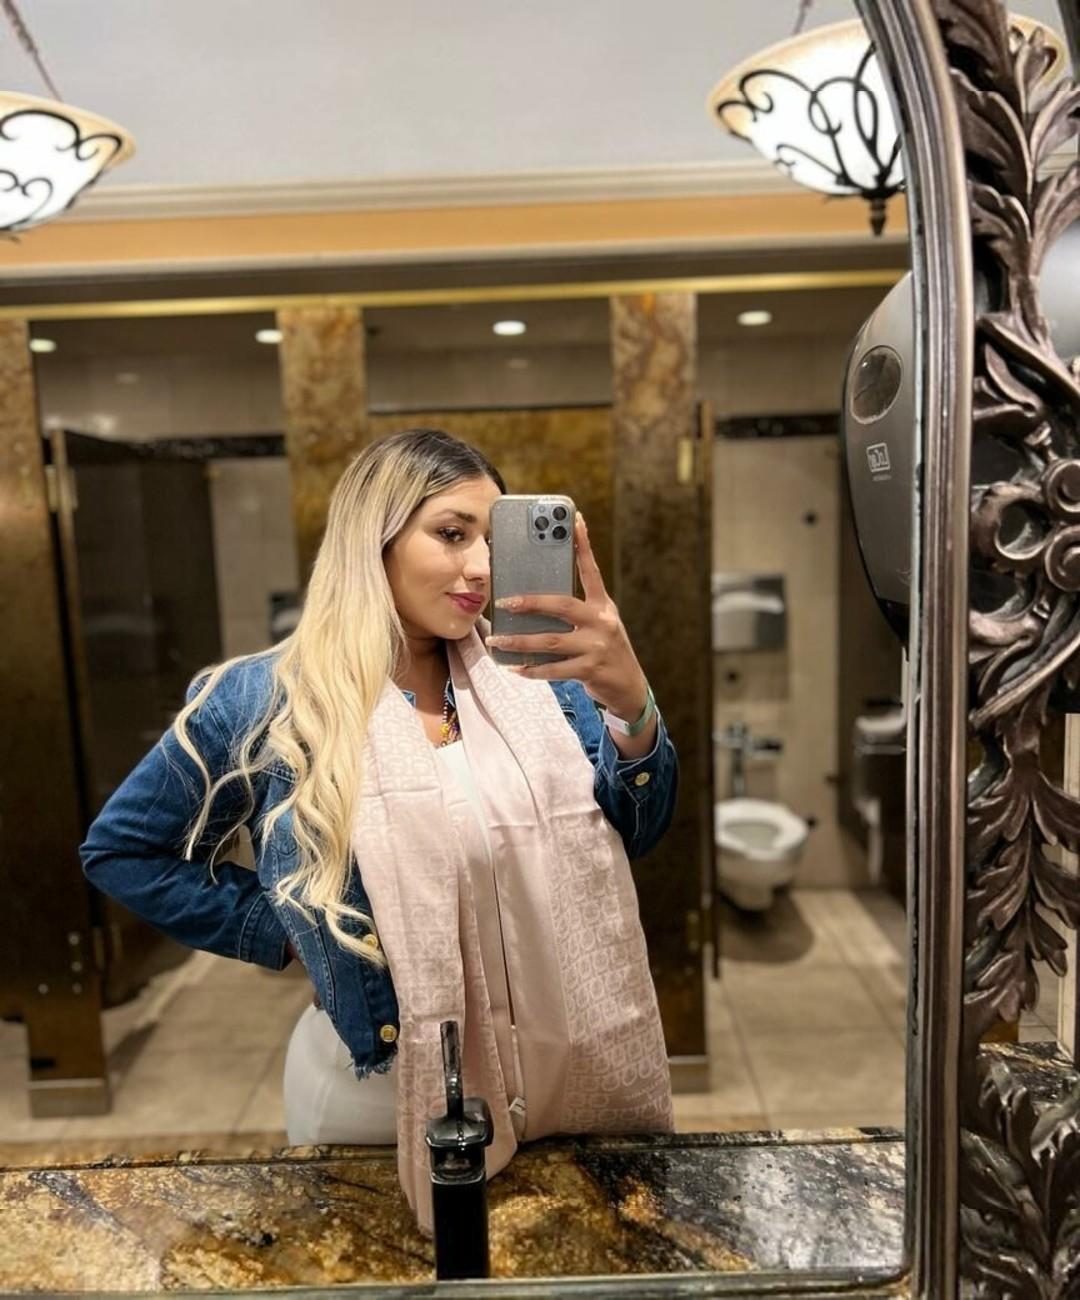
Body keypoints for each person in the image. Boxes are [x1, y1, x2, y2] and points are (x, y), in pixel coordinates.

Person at [80, 427, 678, 1233]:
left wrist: (633, 703)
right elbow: (122, 851)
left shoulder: (539, 678)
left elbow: (635, 831)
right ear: (376, 537)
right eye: (452, 533)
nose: (481, 567)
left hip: (569, 1074)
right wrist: (288, 927)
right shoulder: (269, 700)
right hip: (377, 1097)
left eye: (493, 539)